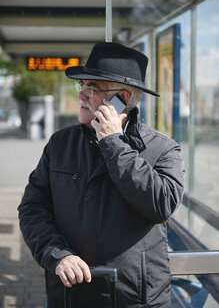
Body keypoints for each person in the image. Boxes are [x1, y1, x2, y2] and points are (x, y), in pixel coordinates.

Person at [18, 42, 184, 308]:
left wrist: (113, 143)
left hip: (136, 300)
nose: (81, 95)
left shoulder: (163, 149)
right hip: (70, 295)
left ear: (122, 99)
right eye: (81, 86)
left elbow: (160, 205)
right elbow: (32, 208)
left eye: (91, 88)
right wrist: (57, 255)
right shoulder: (60, 144)